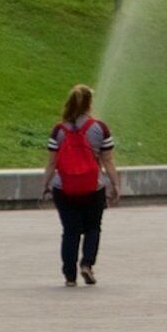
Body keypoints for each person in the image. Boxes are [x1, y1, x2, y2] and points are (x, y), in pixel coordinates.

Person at [44, 84, 117, 287]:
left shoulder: (59, 130)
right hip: (93, 187)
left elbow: (51, 163)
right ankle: (87, 264)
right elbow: (108, 160)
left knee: (70, 231)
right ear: (89, 103)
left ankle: (69, 276)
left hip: (64, 188)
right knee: (93, 228)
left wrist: (45, 185)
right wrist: (115, 184)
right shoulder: (100, 128)